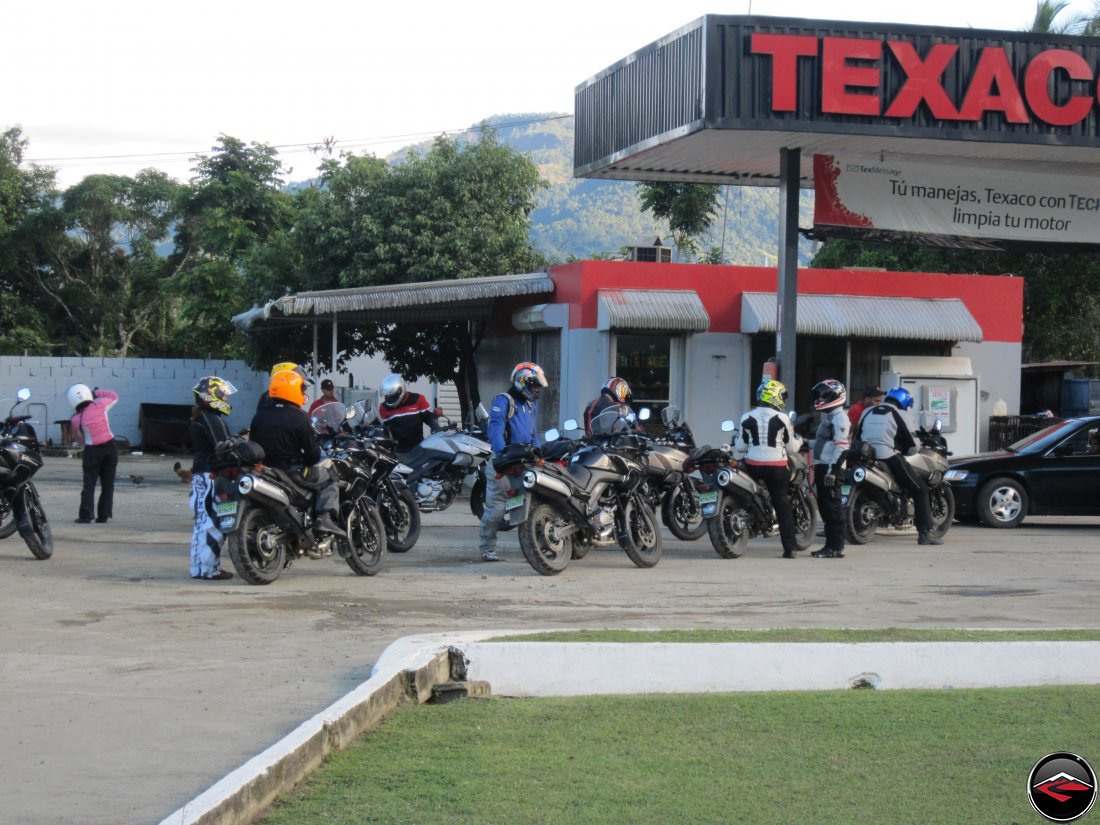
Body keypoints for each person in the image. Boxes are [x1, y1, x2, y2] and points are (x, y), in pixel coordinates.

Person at [249, 369, 345, 537]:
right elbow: (313, 455)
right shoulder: (300, 417)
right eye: (301, 389)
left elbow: (254, 444)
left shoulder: (260, 416)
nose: (302, 393)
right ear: (293, 390)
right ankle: (325, 518)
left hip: (266, 470)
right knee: (329, 475)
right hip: (291, 471)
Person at [855, 386, 944, 546]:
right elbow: (913, 445)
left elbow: (858, 435)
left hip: (865, 457)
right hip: (888, 456)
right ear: (903, 402)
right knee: (920, 489)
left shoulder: (867, 412)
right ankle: (925, 533)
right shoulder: (902, 414)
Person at [479, 362, 547, 562]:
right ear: (522, 382)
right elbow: (495, 430)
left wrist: (539, 455)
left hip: (525, 461)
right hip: (504, 461)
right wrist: (502, 457)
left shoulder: (530, 405)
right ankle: (487, 547)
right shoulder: (504, 401)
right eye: (535, 386)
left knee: (536, 504)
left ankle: (539, 546)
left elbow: (533, 434)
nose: (537, 390)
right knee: (497, 507)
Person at [732, 379, 803, 559]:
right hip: (777, 467)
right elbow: (791, 448)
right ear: (776, 397)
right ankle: (790, 549)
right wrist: (801, 440)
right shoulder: (783, 418)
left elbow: (740, 447)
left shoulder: (746, 417)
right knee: (782, 505)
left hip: (753, 465)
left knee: (747, 494)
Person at [188, 377, 236, 581]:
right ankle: (209, 569)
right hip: (211, 476)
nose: (225, 398)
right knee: (212, 523)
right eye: (223, 395)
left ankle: (199, 567)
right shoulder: (211, 419)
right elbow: (222, 447)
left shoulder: (201, 417)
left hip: (202, 474)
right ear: (212, 396)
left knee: (202, 524)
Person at [809, 379, 851, 559]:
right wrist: (803, 442)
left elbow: (842, 447)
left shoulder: (840, 418)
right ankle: (830, 546)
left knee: (833, 508)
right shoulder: (830, 418)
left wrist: (832, 472)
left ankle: (836, 547)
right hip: (823, 467)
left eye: (824, 395)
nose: (820, 398)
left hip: (831, 469)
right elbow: (823, 443)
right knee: (825, 508)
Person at [68, 383, 119, 524]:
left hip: (92, 451)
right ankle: (103, 516)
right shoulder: (101, 405)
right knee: (108, 484)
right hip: (110, 448)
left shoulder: (75, 419)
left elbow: (78, 438)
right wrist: (97, 393)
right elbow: (114, 395)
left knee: (89, 484)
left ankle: (85, 516)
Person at [375, 373, 440, 453]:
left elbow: (429, 417)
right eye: (387, 396)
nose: (389, 399)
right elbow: (382, 427)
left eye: (392, 396)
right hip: (398, 450)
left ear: (400, 390)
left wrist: (435, 426)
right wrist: (368, 426)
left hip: (418, 447)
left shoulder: (417, 399)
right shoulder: (384, 407)